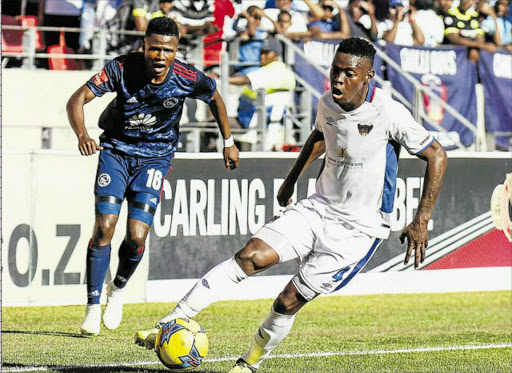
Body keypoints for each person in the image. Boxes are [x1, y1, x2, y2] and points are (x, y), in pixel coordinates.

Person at [134, 37, 448, 372]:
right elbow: (319, 137)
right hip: (317, 208)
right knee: (249, 256)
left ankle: (249, 363)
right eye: (335, 70)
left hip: (358, 230)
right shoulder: (327, 101)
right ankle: (169, 322)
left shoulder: (389, 112)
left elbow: (437, 155)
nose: (338, 79)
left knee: (286, 302)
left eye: (349, 74)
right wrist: (291, 179)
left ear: (368, 76)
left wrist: (421, 218)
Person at [66, 16, 240, 336]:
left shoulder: (186, 76)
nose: (160, 57)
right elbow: (76, 99)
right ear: (143, 46)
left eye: (168, 51)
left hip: (156, 160)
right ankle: (92, 305)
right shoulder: (120, 68)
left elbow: (215, 97)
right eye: (154, 49)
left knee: (136, 237)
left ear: (176, 51)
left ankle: (117, 289)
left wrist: (228, 142)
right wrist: (82, 134)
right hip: (116, 152)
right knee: (105, 226)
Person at [229, 38, 296, 151]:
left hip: (253, 124)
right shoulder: (288, 73)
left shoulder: (271, 71)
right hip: (270, 124)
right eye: (261, 52)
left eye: (266, 52)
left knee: (213, 125)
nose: (262, 56)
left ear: (276, 55)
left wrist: (219, 80)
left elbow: (245, 79)